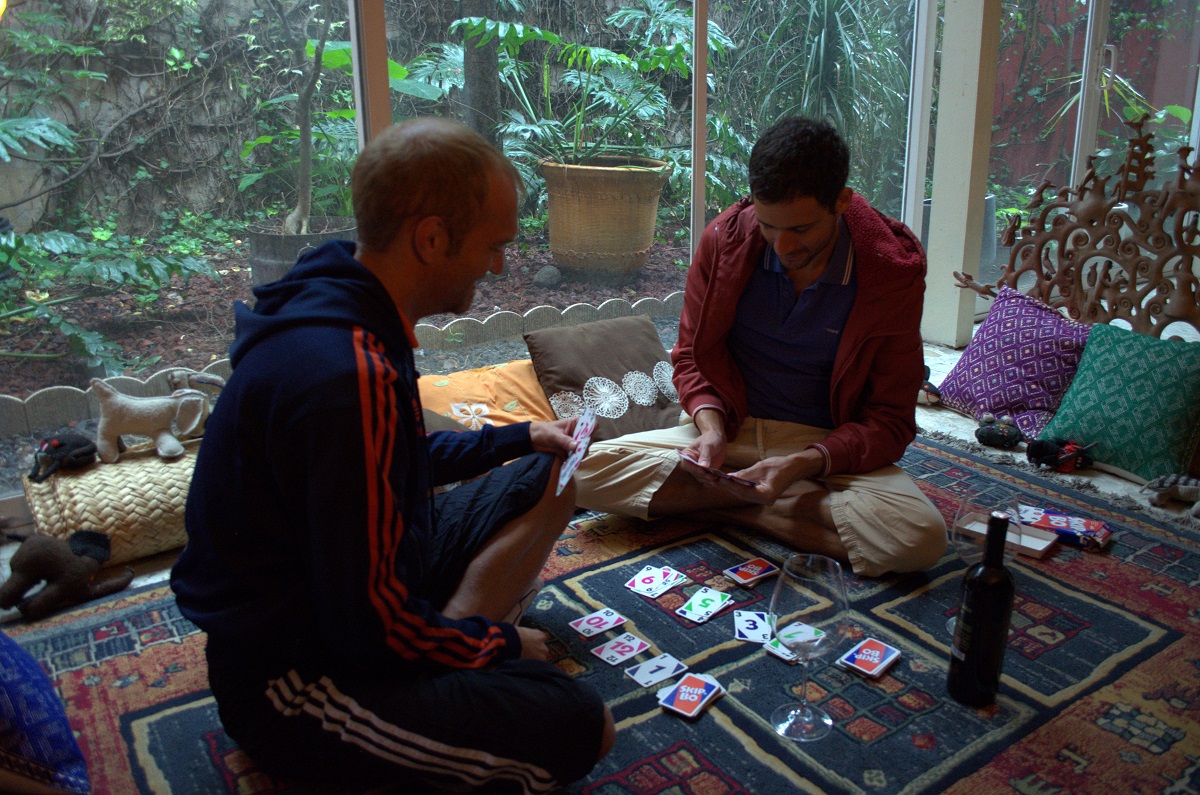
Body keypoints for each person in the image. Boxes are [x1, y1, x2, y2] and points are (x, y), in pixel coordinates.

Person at [170, 117, 614, 794]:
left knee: (546, 473)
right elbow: (367, 628)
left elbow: (392, 461)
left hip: (349, 601)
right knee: (584, 725)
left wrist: (521, 436)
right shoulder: (346, 375)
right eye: (493, 246)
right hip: (293, 679)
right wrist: (492, 646)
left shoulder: (347, 301)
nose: (498, 266)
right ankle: (446, 665)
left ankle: (448, 653)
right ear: (432, 238)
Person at [575, 116, 946, 577]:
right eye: (770, 226)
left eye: (803, 229)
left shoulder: (890, 274)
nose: (784, 245)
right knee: (579, 473)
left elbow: (891, 419)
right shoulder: (724, 241)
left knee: (919, 539)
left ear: (842, 202)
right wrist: (709, 428)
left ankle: (712, 504)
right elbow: (690, 356)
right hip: (728, 430)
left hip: (823, 445)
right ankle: (763, 505)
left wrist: (804, 464)